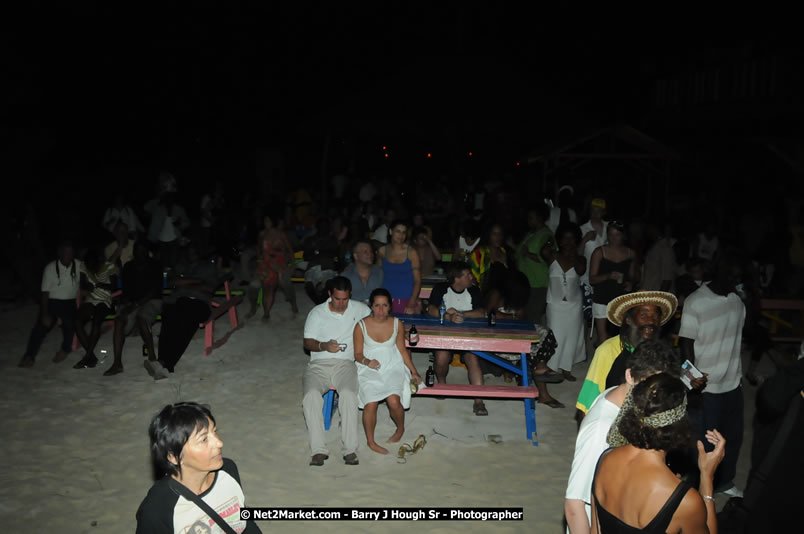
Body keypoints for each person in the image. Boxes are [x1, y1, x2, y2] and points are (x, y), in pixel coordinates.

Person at [565, 340, 681, 534]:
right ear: (630, 375)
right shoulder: (601, 429)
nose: (657, 398)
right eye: (651, 389)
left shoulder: (618, 395)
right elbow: (574, 505)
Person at [590, 373, 725, 534]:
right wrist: (707, 478)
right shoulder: (685, 501)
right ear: (679, 425)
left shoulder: (605, 458)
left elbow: (595, 530)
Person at [679, 251, 746, 497]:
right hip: (706, 388)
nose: (738, 280)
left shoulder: (737, 300)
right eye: (735, 275)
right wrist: (691, 384)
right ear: (720, 271)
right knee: (703, 443)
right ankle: (696, 492)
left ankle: (725, 482)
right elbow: (684, 345)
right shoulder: (696, 301)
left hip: (733, 384)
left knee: (733, 438)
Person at [135, 402, 261, 533]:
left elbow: (245, 520)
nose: (219, 443)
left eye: (214, 432)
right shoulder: (157, 507)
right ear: (174, 457)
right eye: (203, 439)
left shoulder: (228, 470)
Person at [575, 290, 678, 422]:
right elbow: (586, 404)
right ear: (629, 320)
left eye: (655, 316)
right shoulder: (608, 351)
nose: (651, 321)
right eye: (644, 315)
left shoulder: (660, 352)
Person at [302, 276, 370, 466]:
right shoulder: (317, 313)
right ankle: (318, 450)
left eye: (345, 299)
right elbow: (307, 342)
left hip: (345, 364)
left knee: (348, 395)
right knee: (311, 396)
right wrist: (323, 345)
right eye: (337, 299)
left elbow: (376, 324)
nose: (341, 304)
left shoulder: (360, 309)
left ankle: (349, 450)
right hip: (318, 365)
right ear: (330, 295)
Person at [354, 288, 422, 455]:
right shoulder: (360, 326)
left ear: (390, 306)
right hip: (368, 367)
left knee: (393, 400)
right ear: (371, 306)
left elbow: (402, 350)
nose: (381, 310)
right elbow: (357, 354)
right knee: (371, 402)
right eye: (377, 305)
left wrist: (414, 371)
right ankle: (371, 441)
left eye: (385, 305)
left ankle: (400, 428)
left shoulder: (396, 323)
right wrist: (367, 361)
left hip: (393, 365)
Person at [145, 244, 218, 380]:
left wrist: (184, 282)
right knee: (168, 320)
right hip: (176, 301)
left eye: (194, 251)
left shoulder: (208, 267)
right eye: (189, 252)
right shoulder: (181, 266)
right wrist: (197, 281)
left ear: (199, 252)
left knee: (185, 325)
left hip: (199, 302)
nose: (191, 254)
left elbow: (209, 288)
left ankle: (165, 364)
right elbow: (171, 281)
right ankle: (163, 364)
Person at [427, 261, 489, 415]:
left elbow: (482, 312)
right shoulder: (441, 289)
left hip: (468, 336)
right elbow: (430, 309)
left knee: (473, 359)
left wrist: (461, 314)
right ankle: (442, 385)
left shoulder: (474, 291)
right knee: (441, 356)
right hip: (444, 335)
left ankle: (479, 401)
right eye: (468, 274)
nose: (471, 277)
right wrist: (448, 316)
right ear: (457, 279)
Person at [18, 241, 82, 368]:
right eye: (65, 252)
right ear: (60, 253)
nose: (68, 255)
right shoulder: (50, 268)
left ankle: (65, 350)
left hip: (69, 302)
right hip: (53, 302)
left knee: (71, 323)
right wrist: (44, 313)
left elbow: (94, 272)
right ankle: (29, 356)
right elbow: (45, 293)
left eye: (71, 252)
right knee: (41, 326)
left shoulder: (79, 265)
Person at [104, 241, 163, 376]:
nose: (140, 253)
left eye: (143, 250)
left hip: (151, 301)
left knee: (142, 318)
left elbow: (154, 291)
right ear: (134, 252)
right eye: (137, 250)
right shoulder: (128, 267)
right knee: (119, 320)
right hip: (133, 302)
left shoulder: (155, 265)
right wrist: (126, 306)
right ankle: (117, 363)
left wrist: (135, 305)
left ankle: (153, 359)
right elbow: (126, 292)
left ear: (147, 252)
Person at [543, 223, 587, 382]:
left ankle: (566, 368)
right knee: (554, 334)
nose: (568, 242)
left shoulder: (580, 259)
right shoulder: (553, 255)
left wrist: (573, 254)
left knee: (571, 336)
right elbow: (543, 251)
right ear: (559, 240)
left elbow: (581, 270)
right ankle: (551, 366)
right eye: (565, 238)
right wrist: (551, 242)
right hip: (555, 304)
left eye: (571, 239)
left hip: (574, 305)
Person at [589, 221, 637, 343]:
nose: (614, 238)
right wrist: (608, 276)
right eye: (611, 234)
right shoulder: (599, 252)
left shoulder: (631, 253)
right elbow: (592, 279)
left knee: (621, 336)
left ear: (623, 236)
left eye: (617, 235)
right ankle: (603, 360)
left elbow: (633, 276)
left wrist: (631, 283)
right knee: (603, 337)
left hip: (621, 299)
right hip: (602, 298)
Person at [73, 248, 118, 369]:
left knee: (96, 321)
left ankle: (87, 357)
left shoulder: (109, 266)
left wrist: (103, 285)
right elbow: (82, 283)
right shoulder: (84, 266)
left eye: (94, 266)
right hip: (91, 298)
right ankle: (91, 357)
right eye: (89, 266)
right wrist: (86, 285)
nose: (92, 269)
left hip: (105, 300)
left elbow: (115, 285)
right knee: (77, 321)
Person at [254, 213, 294, 320]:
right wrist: (260, 260)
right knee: (265, 287)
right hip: (265, 262)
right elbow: (258, 249)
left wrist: (292, 264)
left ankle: (266, 313)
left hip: (278, 262)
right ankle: (265, 310)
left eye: (269, 221)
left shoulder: (281, 234)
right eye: (265, 221)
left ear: (273, 222)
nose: (266, 223)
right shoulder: (262, 234)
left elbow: (290, 250)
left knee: (271, 287)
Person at [376, 219, 421, 314]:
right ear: (391, 231)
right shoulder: (382, 251)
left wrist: (412, 302)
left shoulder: (412, 252)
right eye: (398, 231)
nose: (401, 235)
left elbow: (417, 281)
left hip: (407, 300)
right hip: (386, 300)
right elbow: (377, 277)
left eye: (404, 232)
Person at [516, 206, 553, 323]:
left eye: (531, 218)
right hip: (526, 282)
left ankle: (534, 341)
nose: (528, 220)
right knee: (524, 315)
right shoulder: (531, 234)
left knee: (533, 317)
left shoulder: (546, 235)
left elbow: (549, 258)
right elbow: (520, 253)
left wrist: (528, 254)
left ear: (540, 218)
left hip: (538, 283)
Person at [470, 222, 510, 292]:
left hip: (503, 296)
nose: (498, 237)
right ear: (488, 235)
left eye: (500, 233)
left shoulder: (505, 252)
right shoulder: (479, 253)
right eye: (494, 233)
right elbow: (471, 278)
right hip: (483, 296)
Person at [340, 239, 383, 303]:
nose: (370, 254)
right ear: (356, 256)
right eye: (365, 252)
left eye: (371, 251)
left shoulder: (381, 273)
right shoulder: (346, 276)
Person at [641, 221, 678, 292]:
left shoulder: (665, 248)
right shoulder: (654, 247)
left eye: (649, 227)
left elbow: (667, 279)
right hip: (650, 295)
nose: (646, 230)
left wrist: (660, 299)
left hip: (658, 297)